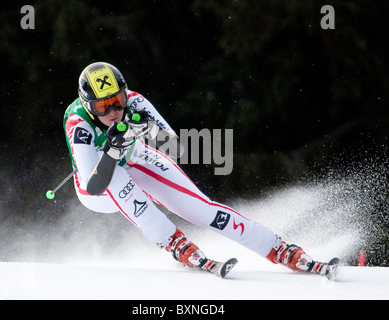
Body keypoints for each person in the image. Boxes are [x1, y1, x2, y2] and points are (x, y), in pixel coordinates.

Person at [63, 61, 333, 277]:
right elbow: (93, 185)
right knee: (118, 179)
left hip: (136, 157)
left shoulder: (135, 102)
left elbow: (175, 150)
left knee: (201, 208)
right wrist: (110, 150)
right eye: (103, 106)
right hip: (97, 184)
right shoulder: (79, 124)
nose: (114, 110)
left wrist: (149, 130)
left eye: (118, 101)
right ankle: (173, 242)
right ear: (88, 106)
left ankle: (278, 248)